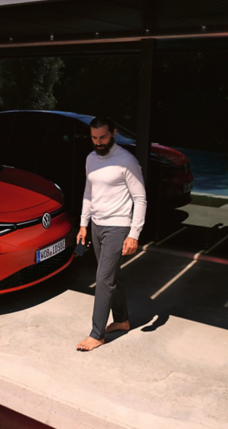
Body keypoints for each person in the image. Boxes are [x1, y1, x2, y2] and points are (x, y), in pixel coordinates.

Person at [76, 116, 147, 352]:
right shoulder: (90, 159)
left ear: (113, 133)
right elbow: (88, 192)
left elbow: (140, 198)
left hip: (118, 226)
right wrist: (83, 224)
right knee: (113, 275)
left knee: (103, 279)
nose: (98, 142)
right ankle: (122, 319)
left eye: (103, 137)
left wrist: (134, 234)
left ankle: (97, 334)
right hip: (96, 225)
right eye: (94, 138)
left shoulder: (126, 161)